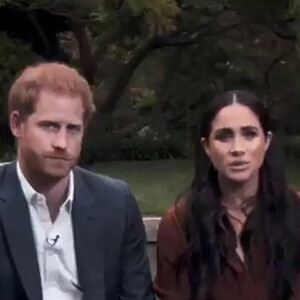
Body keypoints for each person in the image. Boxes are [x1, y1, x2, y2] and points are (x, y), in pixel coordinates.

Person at [0, 62, 154, 300]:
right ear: (17, 124)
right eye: (49, 126)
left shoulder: (115, 203)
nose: (62, 142)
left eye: (73, 129)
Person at [154, 90, 300, 300]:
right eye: (224, 136)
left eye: (249, 134)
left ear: (266, 141)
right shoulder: (179, 223)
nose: (237, 149)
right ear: (207, 146)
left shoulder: (295, 211)